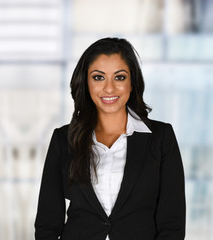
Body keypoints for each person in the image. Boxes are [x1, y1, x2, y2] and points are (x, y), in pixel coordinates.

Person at [34, 38, 186, 240]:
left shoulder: (161, 138)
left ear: (132, 83)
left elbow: (172, 225)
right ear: (86, 83)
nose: (109, 88)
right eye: (98, 77)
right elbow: (47, 223)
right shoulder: (64, 139)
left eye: (119, 77)